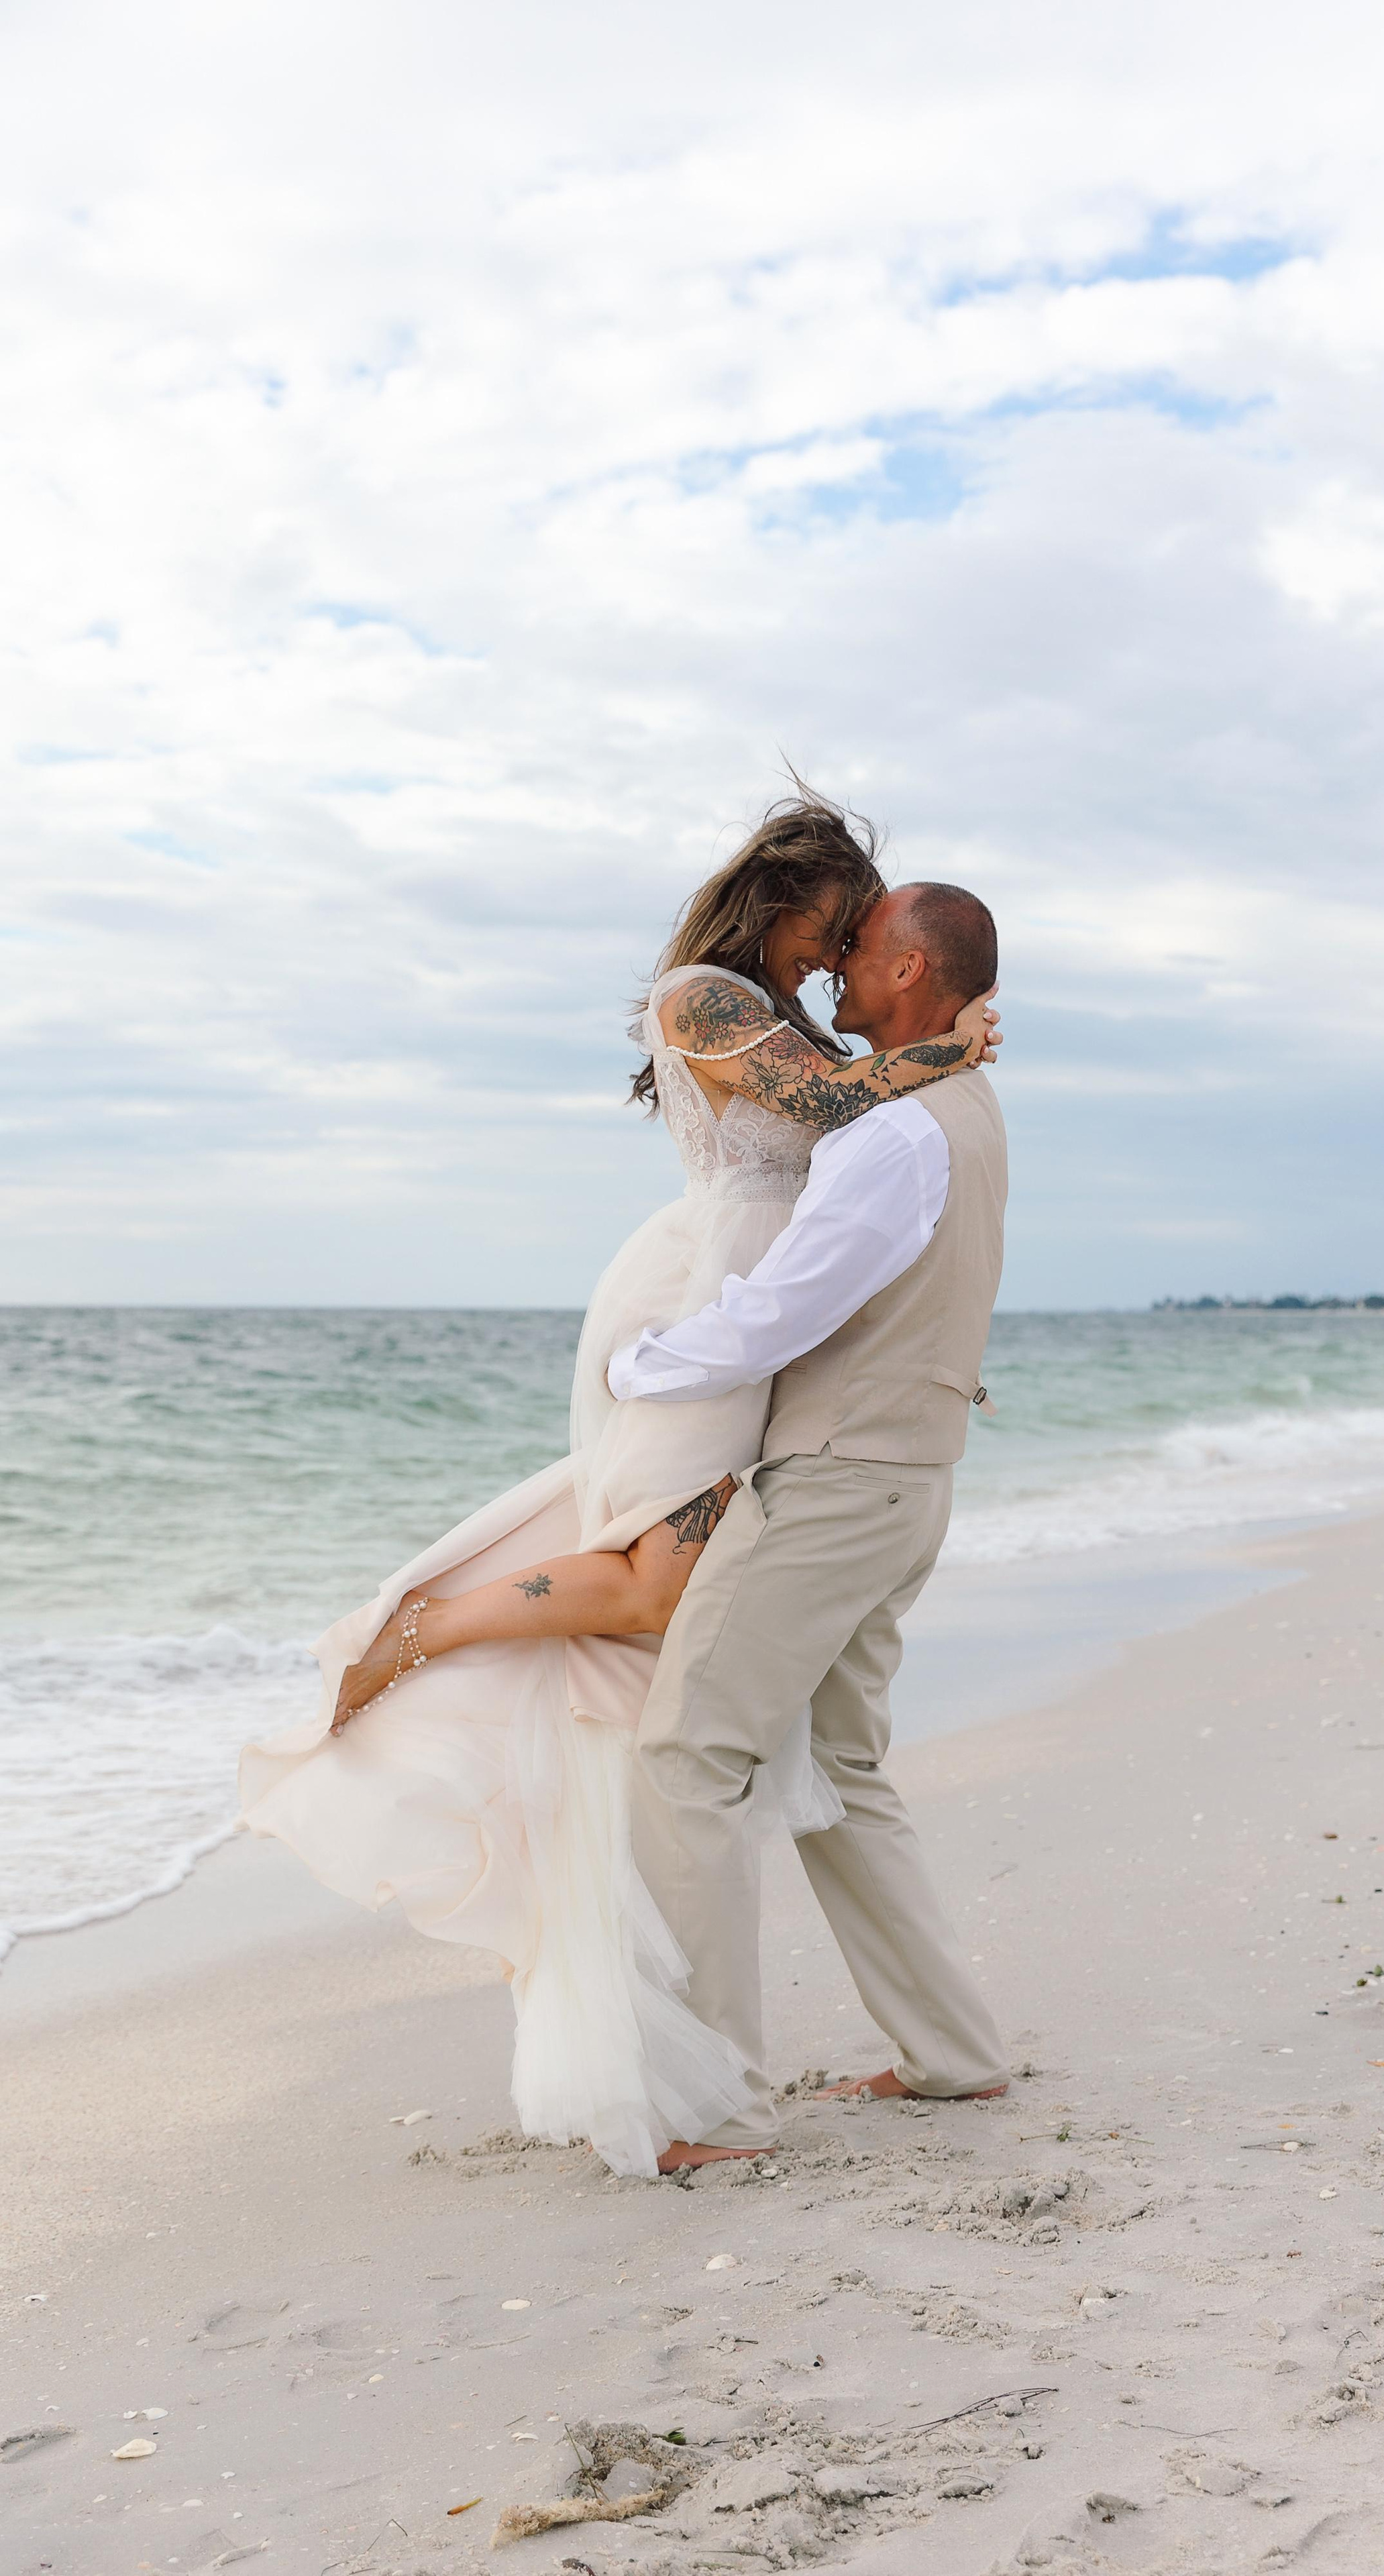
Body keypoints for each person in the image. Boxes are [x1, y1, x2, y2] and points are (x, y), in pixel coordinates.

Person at [237, 792, 998, 2179]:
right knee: (657, 1595)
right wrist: (942, 1044)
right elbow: (831, 1110)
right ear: (782, 894)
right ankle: (420, 1629)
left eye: (853, 946)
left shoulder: (819, 1035)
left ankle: (742, 2066)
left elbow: (876, 1201)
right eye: (832, 928)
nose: (834, 963)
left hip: (758, 1339)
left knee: (675, 1631)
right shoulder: (699, 996)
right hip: (696, 1309)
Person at [609, 879, 1012, 2160]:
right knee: (843, 1769)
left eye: (861, 955)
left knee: (688, 1756)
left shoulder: (893, 1135)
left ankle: (709, 2104)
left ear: (910, 972)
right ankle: (955, 2054)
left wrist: (640, 1366)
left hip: (840, 1481)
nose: (838, 976)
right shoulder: (970, 1112)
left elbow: (789, 1310)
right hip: (913, 1477)